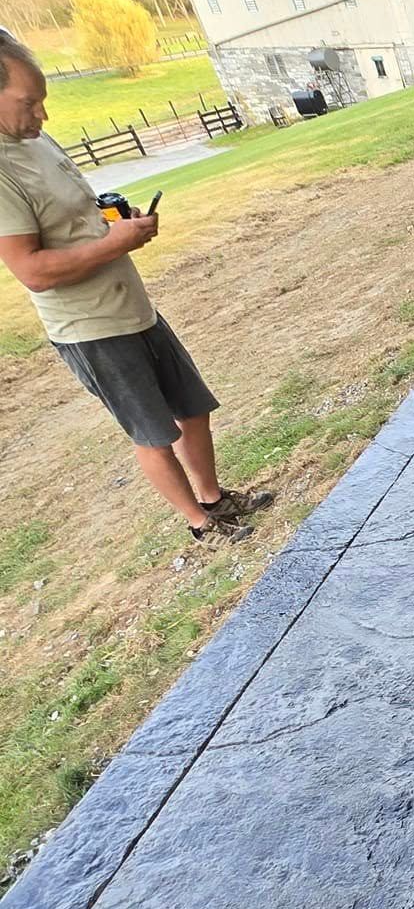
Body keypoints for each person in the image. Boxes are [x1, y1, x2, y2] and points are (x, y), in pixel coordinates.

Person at [0, 29, 267, 547]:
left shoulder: (35, 141)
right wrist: (114, 244)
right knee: (153, 431)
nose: (42, 116)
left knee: (191, 406)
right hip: (91, 327)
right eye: (29, 103)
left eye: (43, 102)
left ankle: (215, 498)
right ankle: (201, 524)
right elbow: (32, 270)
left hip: (132, 306)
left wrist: (118, 225)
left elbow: (73, 216)